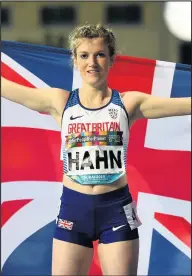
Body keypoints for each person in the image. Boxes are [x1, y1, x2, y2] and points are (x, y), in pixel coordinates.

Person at [1, 23, 191, 276]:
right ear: (75, 60)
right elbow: (8, 89)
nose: (92, 62)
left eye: (100, 54)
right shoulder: (60, 101)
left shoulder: (129, 103)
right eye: (84, 55)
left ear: (112, 59)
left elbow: (185, 104)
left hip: (115, 211)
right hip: (72, 210)